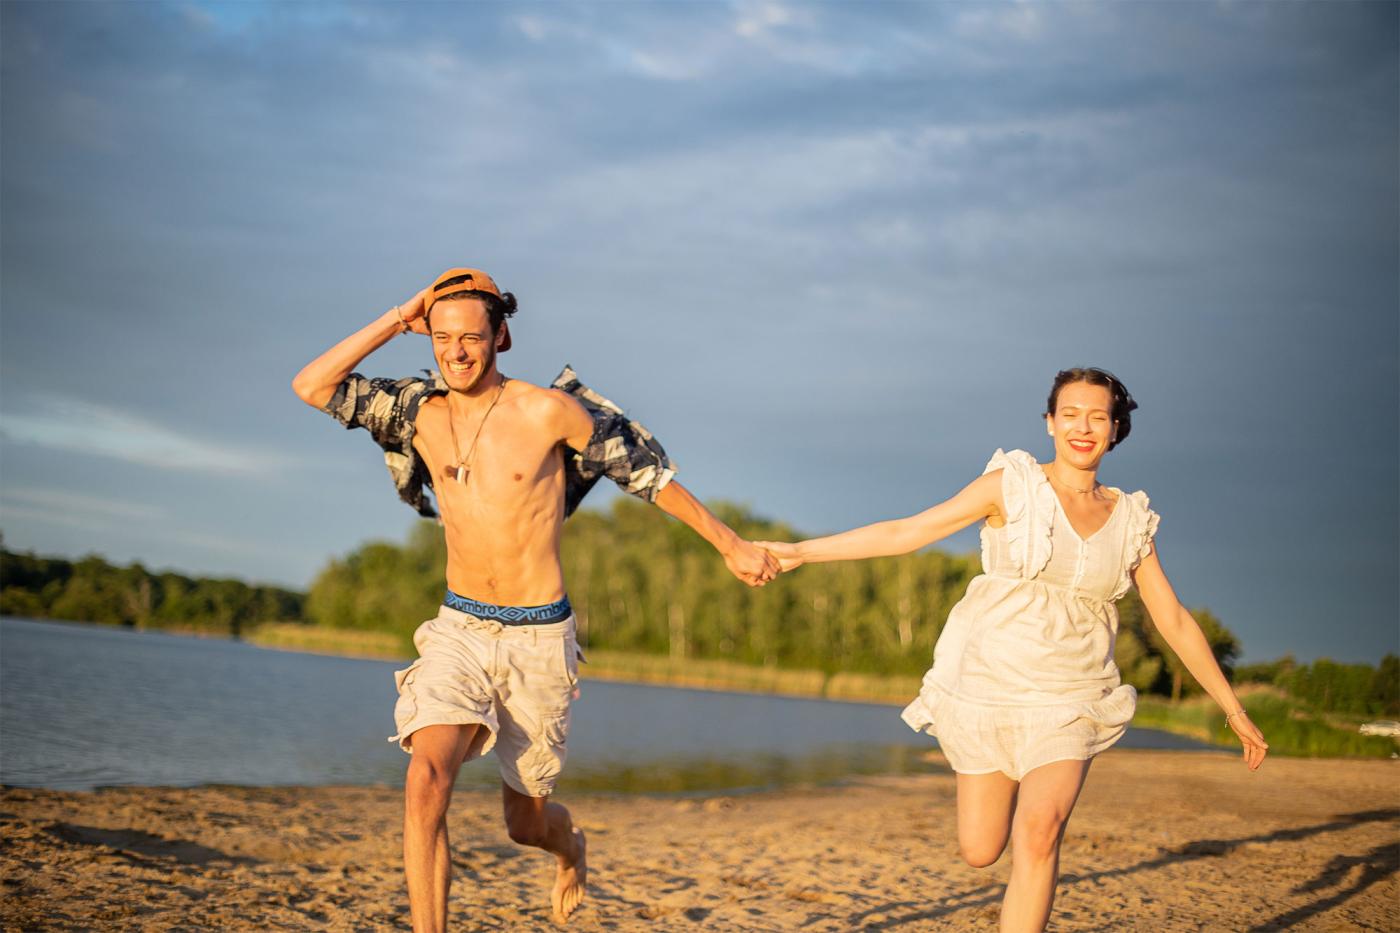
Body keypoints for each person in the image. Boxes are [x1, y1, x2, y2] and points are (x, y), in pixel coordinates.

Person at [292, 267, 779, 930]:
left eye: (471, 336)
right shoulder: (417, 411)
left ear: (501, 336)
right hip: (460, 628)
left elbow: (645, 473)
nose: (455, 351)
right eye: (441, 337)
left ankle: (569, 844)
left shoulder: (547, 411)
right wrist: (397, 315)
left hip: (538, 640)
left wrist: (729, 544)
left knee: (525, 823)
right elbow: (312, 385)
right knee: (425, 782)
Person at [756, 368, 1268, 933]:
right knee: (980, 848)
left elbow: (1171, 618)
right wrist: (803, 549)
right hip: (988, 687)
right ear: (1050, 422)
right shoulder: (1011, 485)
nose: (1083, 427)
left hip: (1071, 696)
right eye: (1070, 413)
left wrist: (1232, 706)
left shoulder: (1131, 520)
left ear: (1116, 429)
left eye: (1098, 417)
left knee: (1039, 832)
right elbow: (908, 532)